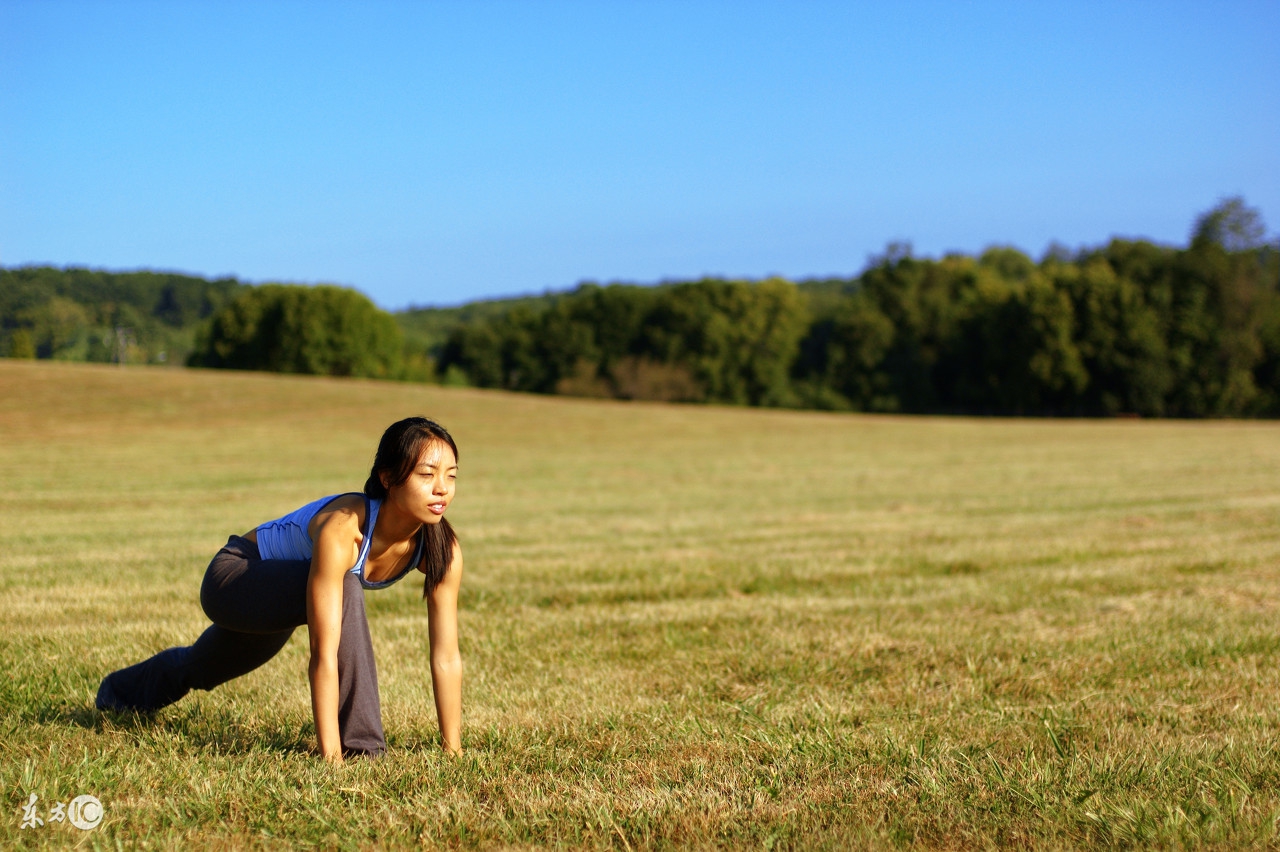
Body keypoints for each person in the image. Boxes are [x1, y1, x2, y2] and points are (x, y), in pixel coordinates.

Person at [95, 416, 464, 761]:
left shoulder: (441, 549)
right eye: (426, 474)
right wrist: (332, 760)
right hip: (235, 575)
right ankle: (363, 750)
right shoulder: (344, 528)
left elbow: (446, 656)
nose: (442, 489)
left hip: (285, 596)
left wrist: (453, 752)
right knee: (346, 586)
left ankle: (118, 693)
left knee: (201, 666)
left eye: (451, 476)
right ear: (387, 477)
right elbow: (324, 653)